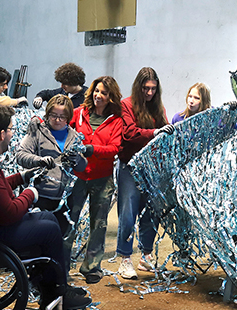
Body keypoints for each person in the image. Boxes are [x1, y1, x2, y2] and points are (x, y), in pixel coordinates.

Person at [0, 104, 90, 310]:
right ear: (1, 134)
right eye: (11, 130)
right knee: (50, 229)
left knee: (48, 218)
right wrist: (30, 194)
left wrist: (22, 177)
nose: (12, 135)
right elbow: (9, 214)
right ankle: (56, 291)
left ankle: (51, 287)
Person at [66, 76, 124, 283]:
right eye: (97, 91)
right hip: (77, 177)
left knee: (98, 224)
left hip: (102, 178)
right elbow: (61, 131)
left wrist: (92, 150)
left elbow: (114, 149)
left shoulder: (116, 120)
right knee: (68, 221)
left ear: (111, 97)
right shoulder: (78, 113)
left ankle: (91, 267)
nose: (99, 96)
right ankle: (61, 266)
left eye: (105, 93)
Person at [116, 67, 172, 279]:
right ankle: (125, 259)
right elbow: (129, 133)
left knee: (152, 210)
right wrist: (154, 133)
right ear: (138, 87)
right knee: (128, 212)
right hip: (130, 166)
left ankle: (145, 256)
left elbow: (165, 128)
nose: (149, 93)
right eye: (146, 89)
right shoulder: (126, 105)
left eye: (153, 89)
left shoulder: (158, 107)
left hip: (152, 168)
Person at [16, 94, 87, 235]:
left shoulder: (74, 136)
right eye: (53, 115)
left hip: (64, 199)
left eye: (62, 117)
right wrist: (39, 160)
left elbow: (82, 166)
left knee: (60, 235)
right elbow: (20, 155)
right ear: (47, 114)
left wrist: (78, 160)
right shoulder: (37, 131)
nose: (57, 120)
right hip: (39, 196)